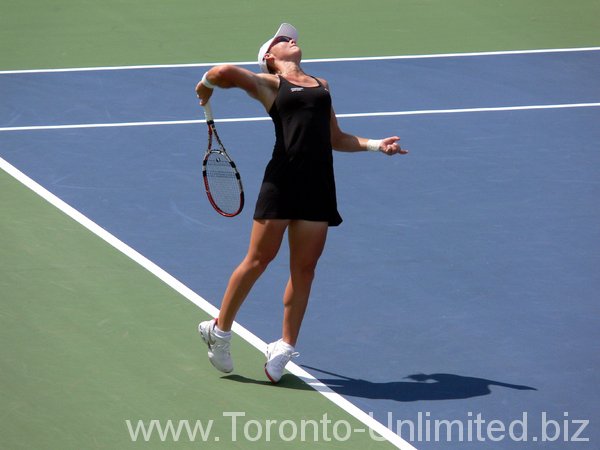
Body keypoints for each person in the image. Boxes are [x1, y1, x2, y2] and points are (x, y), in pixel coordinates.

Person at [195, 23, 407, 383]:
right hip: (282, 183)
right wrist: (207, 84)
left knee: (304, 269)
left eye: (290, 36)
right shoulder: (270, 86)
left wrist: (375, 145)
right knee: (259, 259)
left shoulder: (322, 86)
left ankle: (284, 346)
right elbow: (222, 72)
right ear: (269, 57)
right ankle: (219, 330)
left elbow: (335, 138)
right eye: (281, 39)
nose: (290, 38)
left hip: (318, 186)